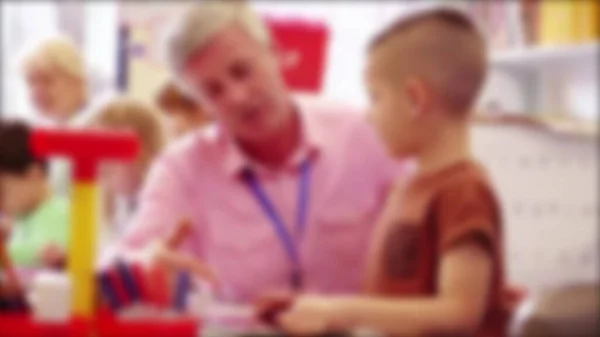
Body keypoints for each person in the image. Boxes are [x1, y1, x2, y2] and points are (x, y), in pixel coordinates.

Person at [109, 1, 402, 304]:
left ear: (273, 52)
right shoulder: (183, 168)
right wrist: (142, 265)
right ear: (201, 104)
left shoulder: (365, 135)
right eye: (214, 91)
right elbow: (118, 265)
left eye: (242, 71)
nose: (236, 96)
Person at [275, 7, 508, 337]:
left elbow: (460, 310)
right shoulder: (406, 188)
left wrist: (340, 311)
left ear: (415, 99)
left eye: (375, 97)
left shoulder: (463, 190)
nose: (369, 116)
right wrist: (321, 312)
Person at [89, 97, 166, 246]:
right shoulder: (119, 205)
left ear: (145, 151)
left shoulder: (162, 205)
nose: (101, 165)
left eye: (110, 153)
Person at [0, 120, 69, 269]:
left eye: (2, 192)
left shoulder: (58, 214)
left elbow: (44, 255)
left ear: (34, 174)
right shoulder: (23, 218)